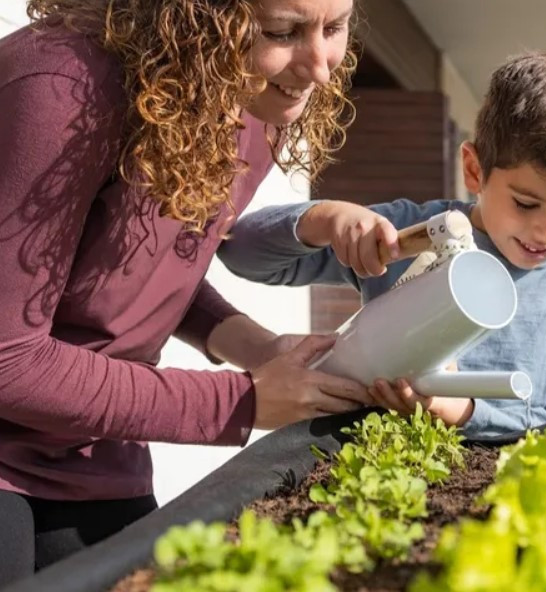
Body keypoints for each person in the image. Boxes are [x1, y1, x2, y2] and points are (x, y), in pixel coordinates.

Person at [0, 0, 371, 581]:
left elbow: (136, 267)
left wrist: (260, 350)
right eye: (282, 31)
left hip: (93, 454)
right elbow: (9, 360)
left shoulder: (245, 96)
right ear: (196, 18)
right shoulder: (62, 90)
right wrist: (240, 403)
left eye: (335, 27)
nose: (321, 66)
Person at [218, 50, 546, 440]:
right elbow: (239, 252)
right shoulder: (413, 233)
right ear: (474, 170)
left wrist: (468, 414)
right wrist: (325, 220)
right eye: (526, 204)